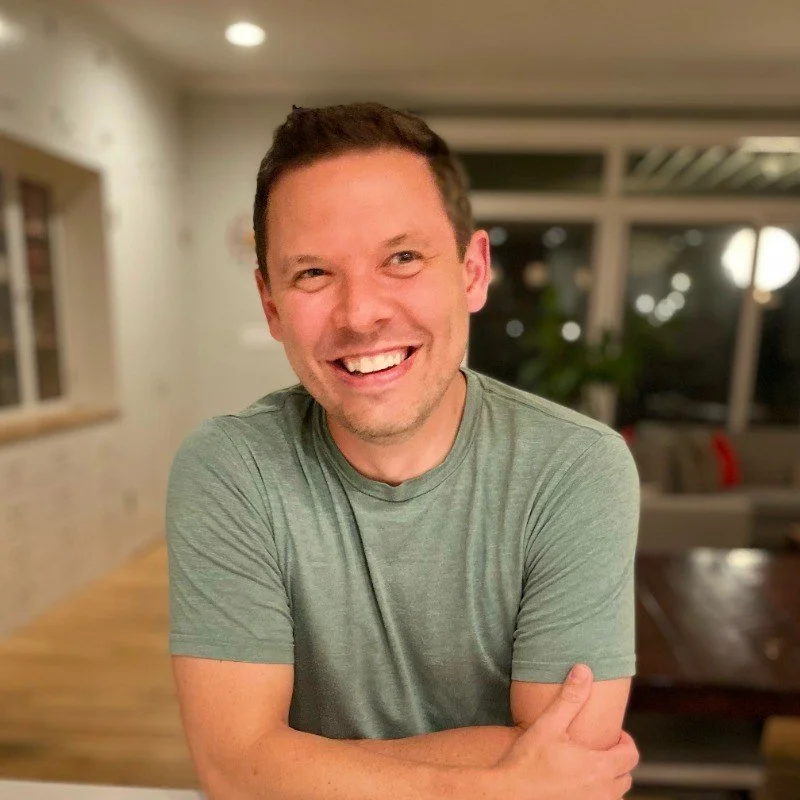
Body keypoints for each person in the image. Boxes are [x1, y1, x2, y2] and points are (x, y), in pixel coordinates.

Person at [167, 102, 641, 800]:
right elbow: (233, 768)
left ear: (472, 271)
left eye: (403, 258)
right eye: (313, 275)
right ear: (271, 306)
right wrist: (484, 788)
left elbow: (572, 758)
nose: (361, 314)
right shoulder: (231, 469)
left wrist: (296, 764)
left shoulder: (576, 468)